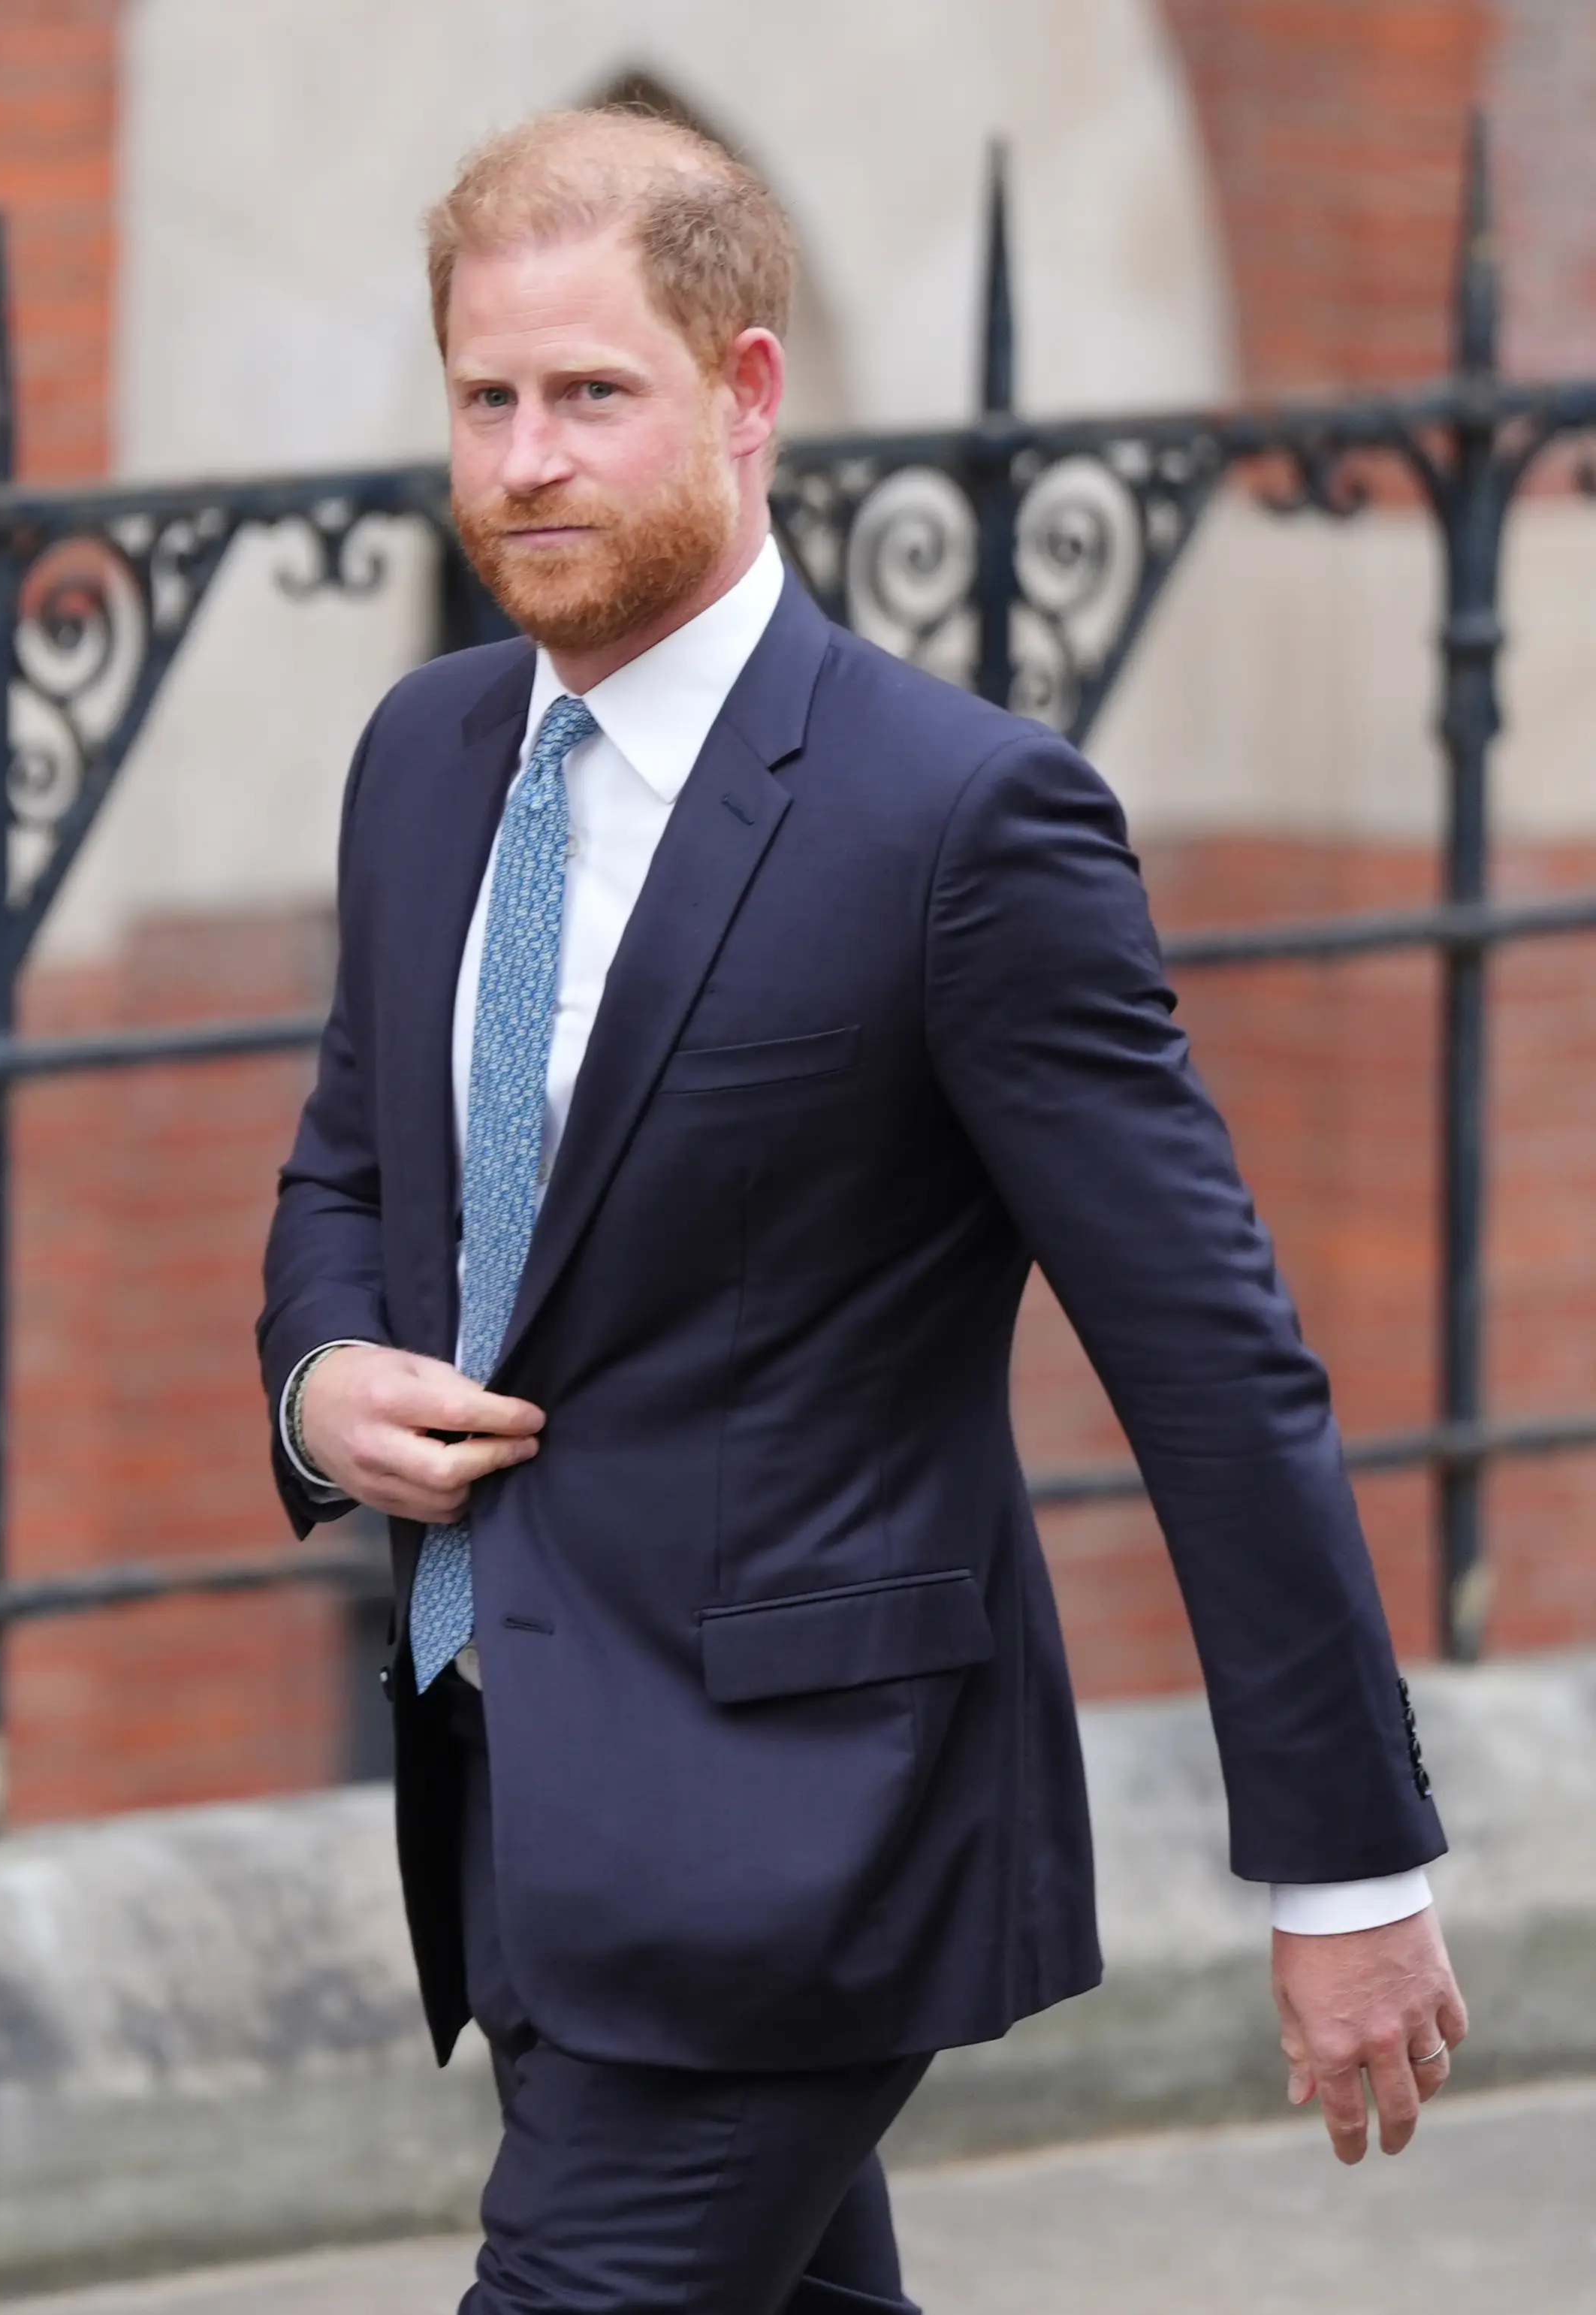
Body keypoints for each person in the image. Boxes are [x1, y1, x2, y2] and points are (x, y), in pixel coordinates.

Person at [257, 106, 1465, 2315]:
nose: (527, 460)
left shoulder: (962, 822)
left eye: (593, 395)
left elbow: (1212, 1361)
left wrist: (1346, 1864)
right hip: (513, 1789)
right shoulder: (422, 758)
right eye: (488, 398)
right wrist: (320, 1374)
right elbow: (349, 1160)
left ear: (744, 396)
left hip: (805, 1836)